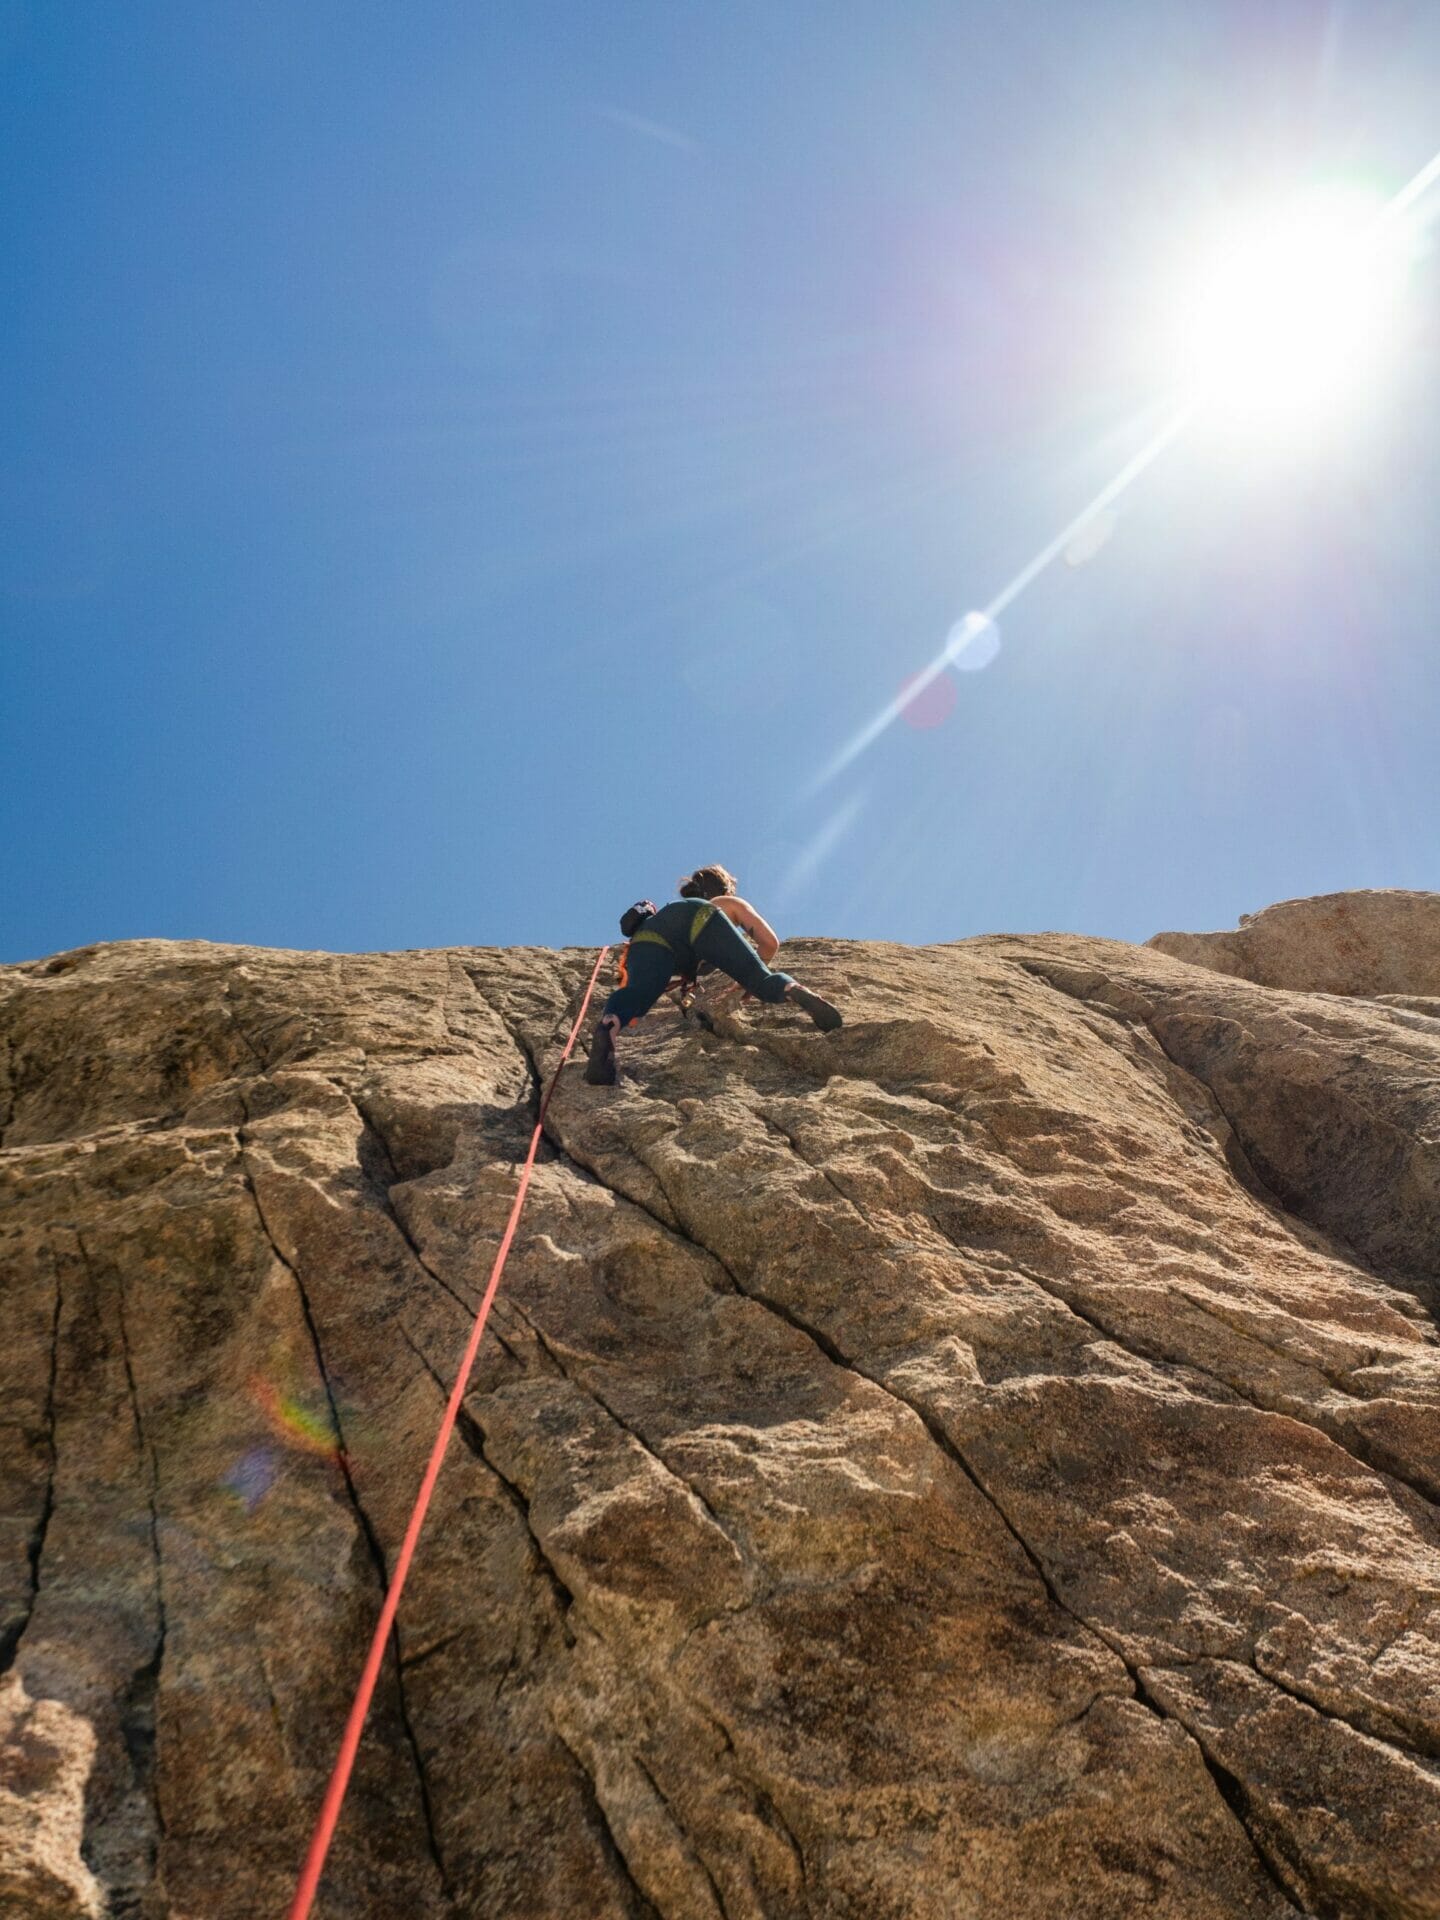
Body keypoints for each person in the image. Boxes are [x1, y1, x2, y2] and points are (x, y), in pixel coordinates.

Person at [585, 882, 842, 1086]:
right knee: (761, 980)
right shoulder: (726, 903)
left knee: (636, 995)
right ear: (725, 888)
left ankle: (609, 1028)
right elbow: (769, 943)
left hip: (648, 937)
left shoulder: (667, 911)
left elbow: (660, 975)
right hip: (699, 920)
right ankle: (794, 990)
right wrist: (747, 981)